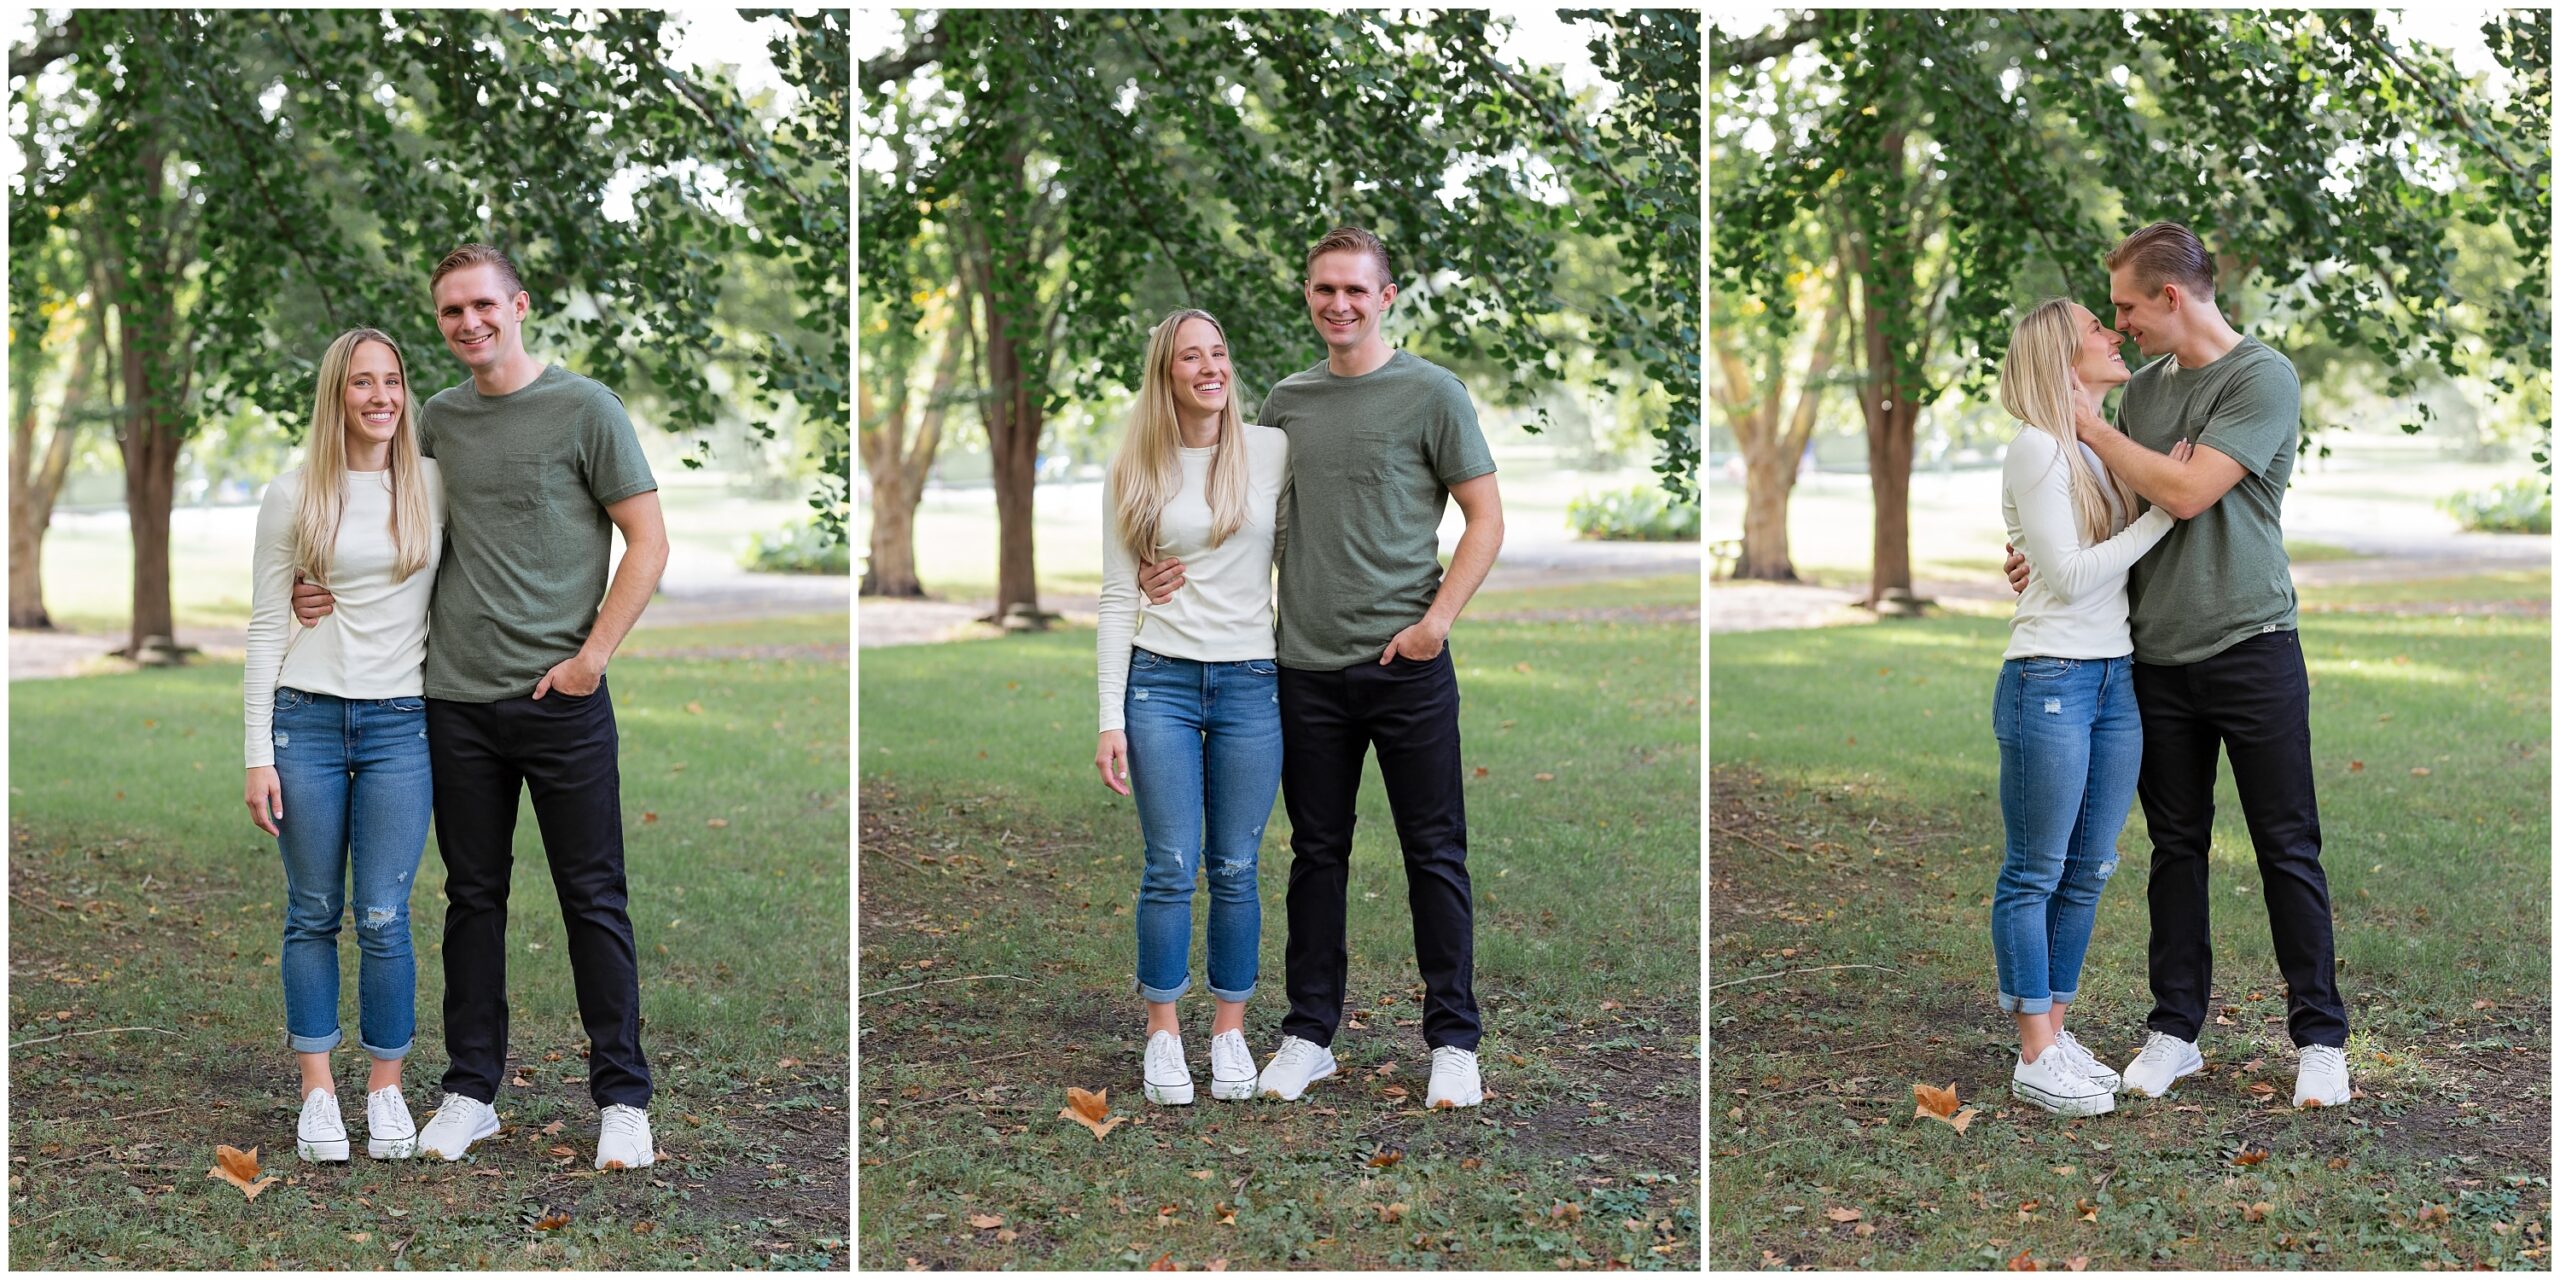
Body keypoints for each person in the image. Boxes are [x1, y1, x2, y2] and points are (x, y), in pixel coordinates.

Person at [293, 243, 673, 1166]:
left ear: (519, 305)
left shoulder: (587, 410)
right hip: (451, 703)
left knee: (593, 897)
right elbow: (375, 520)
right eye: (452, 312)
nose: (469, 323)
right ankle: (471, 1089)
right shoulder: (437, 422)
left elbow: (649, 544)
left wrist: (591, 659)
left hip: (562, 700)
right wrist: (312, 583)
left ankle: (622, 1098)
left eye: (482, 306)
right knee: (474, 899)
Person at [1146, 226, 1504, 1109]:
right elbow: (1238, 513)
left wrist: (1435, 625)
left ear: (1386, 297)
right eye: (1322, 290)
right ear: (1307, 298)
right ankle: (1310, 1034)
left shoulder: (1433, 394)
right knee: (1316, 855)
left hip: (1407, 665)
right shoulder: (1284, 405)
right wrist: (1169, 563)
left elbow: (1485, 520)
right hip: (1301, 670)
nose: (1337, 304)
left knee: (1435, 853)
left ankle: (1453, 1041)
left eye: (1354, 289)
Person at [2005, 221, 2350, 1108]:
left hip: (2252, 645)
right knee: (2175, 848)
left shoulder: (2261, 377)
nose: (2118, 326)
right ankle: (2174, 1030)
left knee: (2286, 845)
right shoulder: (2144, 395)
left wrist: (2091, 425)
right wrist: (2045, 551)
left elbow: (2190, 492)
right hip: (2152, 658)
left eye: (2125, 306)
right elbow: (2125, 499)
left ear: (2170, 296)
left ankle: (2320, 1039)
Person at [243, 327, 445, 1162]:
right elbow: (264, 623)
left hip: (403, 723)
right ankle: (318, 1095)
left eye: (392, 381)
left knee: (386, 916)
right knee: (313, 912)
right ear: (337, 395)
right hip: (308, 721)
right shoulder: (292, 496)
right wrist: (257, 751)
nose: (380, 398)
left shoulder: (434, 482)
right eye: (362, 383)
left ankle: (387, 1092)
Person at [1094, 309, 1290, 1106]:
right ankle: (1164, 1036)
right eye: (1191, 357)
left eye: (1219, 352)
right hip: (1160, 684)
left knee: (1237, 868)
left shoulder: (1273, 450)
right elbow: (1114, 595)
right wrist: (1110, 715)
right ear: (1166, 372)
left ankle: (1231, 1033)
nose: (1210, 367)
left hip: (1252, 680)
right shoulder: (1135, 466)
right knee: (1172, 864)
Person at [1991, 298, 2180, 1117]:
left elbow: (2069, 559)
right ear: (2063, 357)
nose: (2113, 334)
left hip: (2113, 679)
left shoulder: (2096, 449)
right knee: (2035, 870)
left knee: (2089, 868)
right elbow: (2067, 576)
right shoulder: (2037, 449)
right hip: (2052, 677)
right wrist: (2168, 512)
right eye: (2097, 331)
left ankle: (2057, 1035)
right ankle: (2034, 1051)